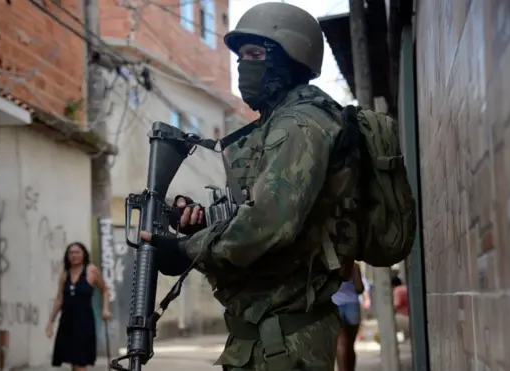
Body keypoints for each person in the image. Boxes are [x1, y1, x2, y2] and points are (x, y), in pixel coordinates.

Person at [140, 3, 354, 370]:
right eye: (240, 56)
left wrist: (185, 249)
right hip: (267, 334)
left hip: (284, 341)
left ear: (289, 58)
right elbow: (261, 210)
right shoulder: (279, 124)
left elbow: (270, 223)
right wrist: (202, 222)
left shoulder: (300, 125)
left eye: (255, 54)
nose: (242, 65)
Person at [46, 242, 111, 371]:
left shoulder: (91, 270)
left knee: (80, 362)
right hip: (67, 321)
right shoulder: (65, 273)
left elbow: (105, 290)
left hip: (84, 321)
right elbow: (59, 299)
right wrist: (51, 321)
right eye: (71, 253)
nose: (74, 255)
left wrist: (105, 309)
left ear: (83, 254)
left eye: (77, 252)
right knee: (72, 361)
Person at [331, 263, 364, 371]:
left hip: (335, 305)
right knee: (350, 344)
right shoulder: (354, 266)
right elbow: (360, 288)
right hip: (352, 305)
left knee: (341, 342)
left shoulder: (329, 264)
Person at [392, 275, 410, 339]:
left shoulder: (397, 290)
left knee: (390, 322)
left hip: (404, 316)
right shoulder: (405, 287)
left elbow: (396, 304)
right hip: (410, 316)